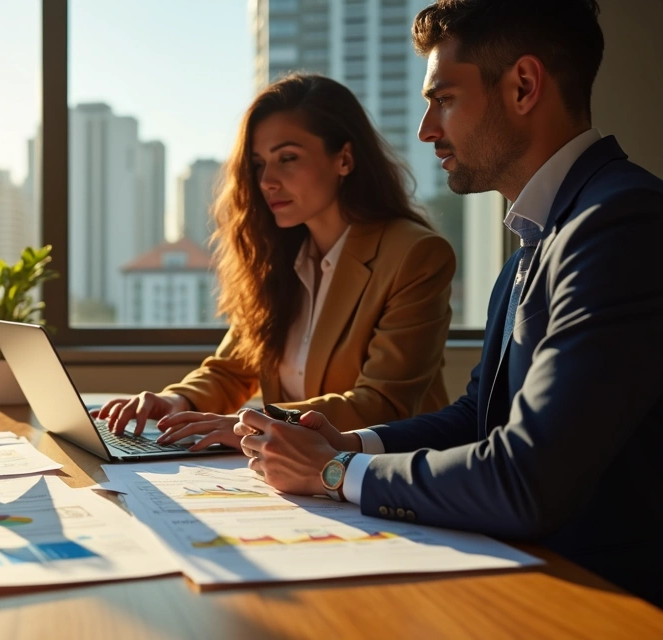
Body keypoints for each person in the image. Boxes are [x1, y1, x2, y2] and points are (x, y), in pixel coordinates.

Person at [235, 0, 663, 608]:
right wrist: (349, 445)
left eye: (444, 99)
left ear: (523, 85)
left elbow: (528, 476)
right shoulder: (533, 244)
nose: (426, 129)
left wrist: (332, 474)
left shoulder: (619, 222)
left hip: (607, 599)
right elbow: (476, 417)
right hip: (529, 572)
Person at [95, 74, 456, 450]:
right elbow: (233, 369)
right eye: (258, 164)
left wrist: (253, 425)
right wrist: (177, 401)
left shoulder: (415, 254)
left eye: (287, 158)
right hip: (297, 471)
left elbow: (383, 404)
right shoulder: (277, 257)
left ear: (344, 159)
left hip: (386, 471)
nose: (267, 180)